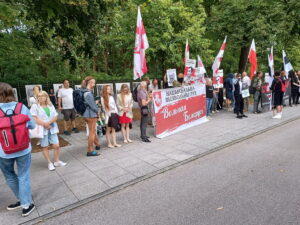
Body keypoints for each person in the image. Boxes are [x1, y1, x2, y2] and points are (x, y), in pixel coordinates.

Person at [0, 82, 36, 217]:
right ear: (12, 93)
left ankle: (22, 199)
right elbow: (32, 125)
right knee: (23, 175)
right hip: (23, 149)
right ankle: (26, 204)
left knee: (9, 176)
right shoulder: (21, 107)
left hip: (3, 152)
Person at [30, 91, 67, 171]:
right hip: (42, 130)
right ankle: (49, 163)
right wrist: (45, 124)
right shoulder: (35, 106)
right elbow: (34, 118)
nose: (40, 97)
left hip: (52, 128)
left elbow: (55, 116)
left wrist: (48, 123)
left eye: (42, 96)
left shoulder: (50, 105)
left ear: (46, 97)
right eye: (39, 96)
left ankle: (57, 161)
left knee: (56, 145)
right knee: (45, 146)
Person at [82, 76, 101, 156]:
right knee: (92, 132)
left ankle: (97, 144)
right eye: (94, 82)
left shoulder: (83, 91)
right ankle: (90, 150)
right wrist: (97, 111)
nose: (94, 84)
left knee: (92, 130)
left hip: (86, 114)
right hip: (91, 115)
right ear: (90, 83)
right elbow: (93, 106)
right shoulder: (88, 93)